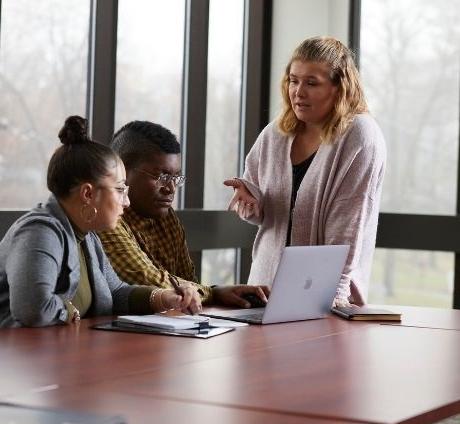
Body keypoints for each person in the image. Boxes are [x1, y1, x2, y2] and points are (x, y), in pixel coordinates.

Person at [224, 36, 386, 306]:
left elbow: (350, 224)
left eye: (312, 83)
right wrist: (251, 205)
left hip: (324, 295)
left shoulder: (360, 135)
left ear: (339, 88)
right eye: (293, 80)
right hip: (262, 292)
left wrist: (333, 298)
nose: (298, 91)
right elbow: (264, 211)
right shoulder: (275, 133)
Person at [0, 116, 200, 328]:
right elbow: (33, 309)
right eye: (121, 189)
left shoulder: (88, 236)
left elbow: (116, 291)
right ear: (88, 193)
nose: (127, 201)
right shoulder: (40, 232)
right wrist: (71, 311)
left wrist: (163, 298)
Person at [98, 120, 269, 309]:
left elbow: (187, 282)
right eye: (161, 177)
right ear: (122, 171)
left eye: (175, 178)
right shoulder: (106, 218)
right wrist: (214, 292)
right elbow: (148, 280)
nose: (170, 188)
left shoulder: (166, 216)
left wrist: (215, 292)